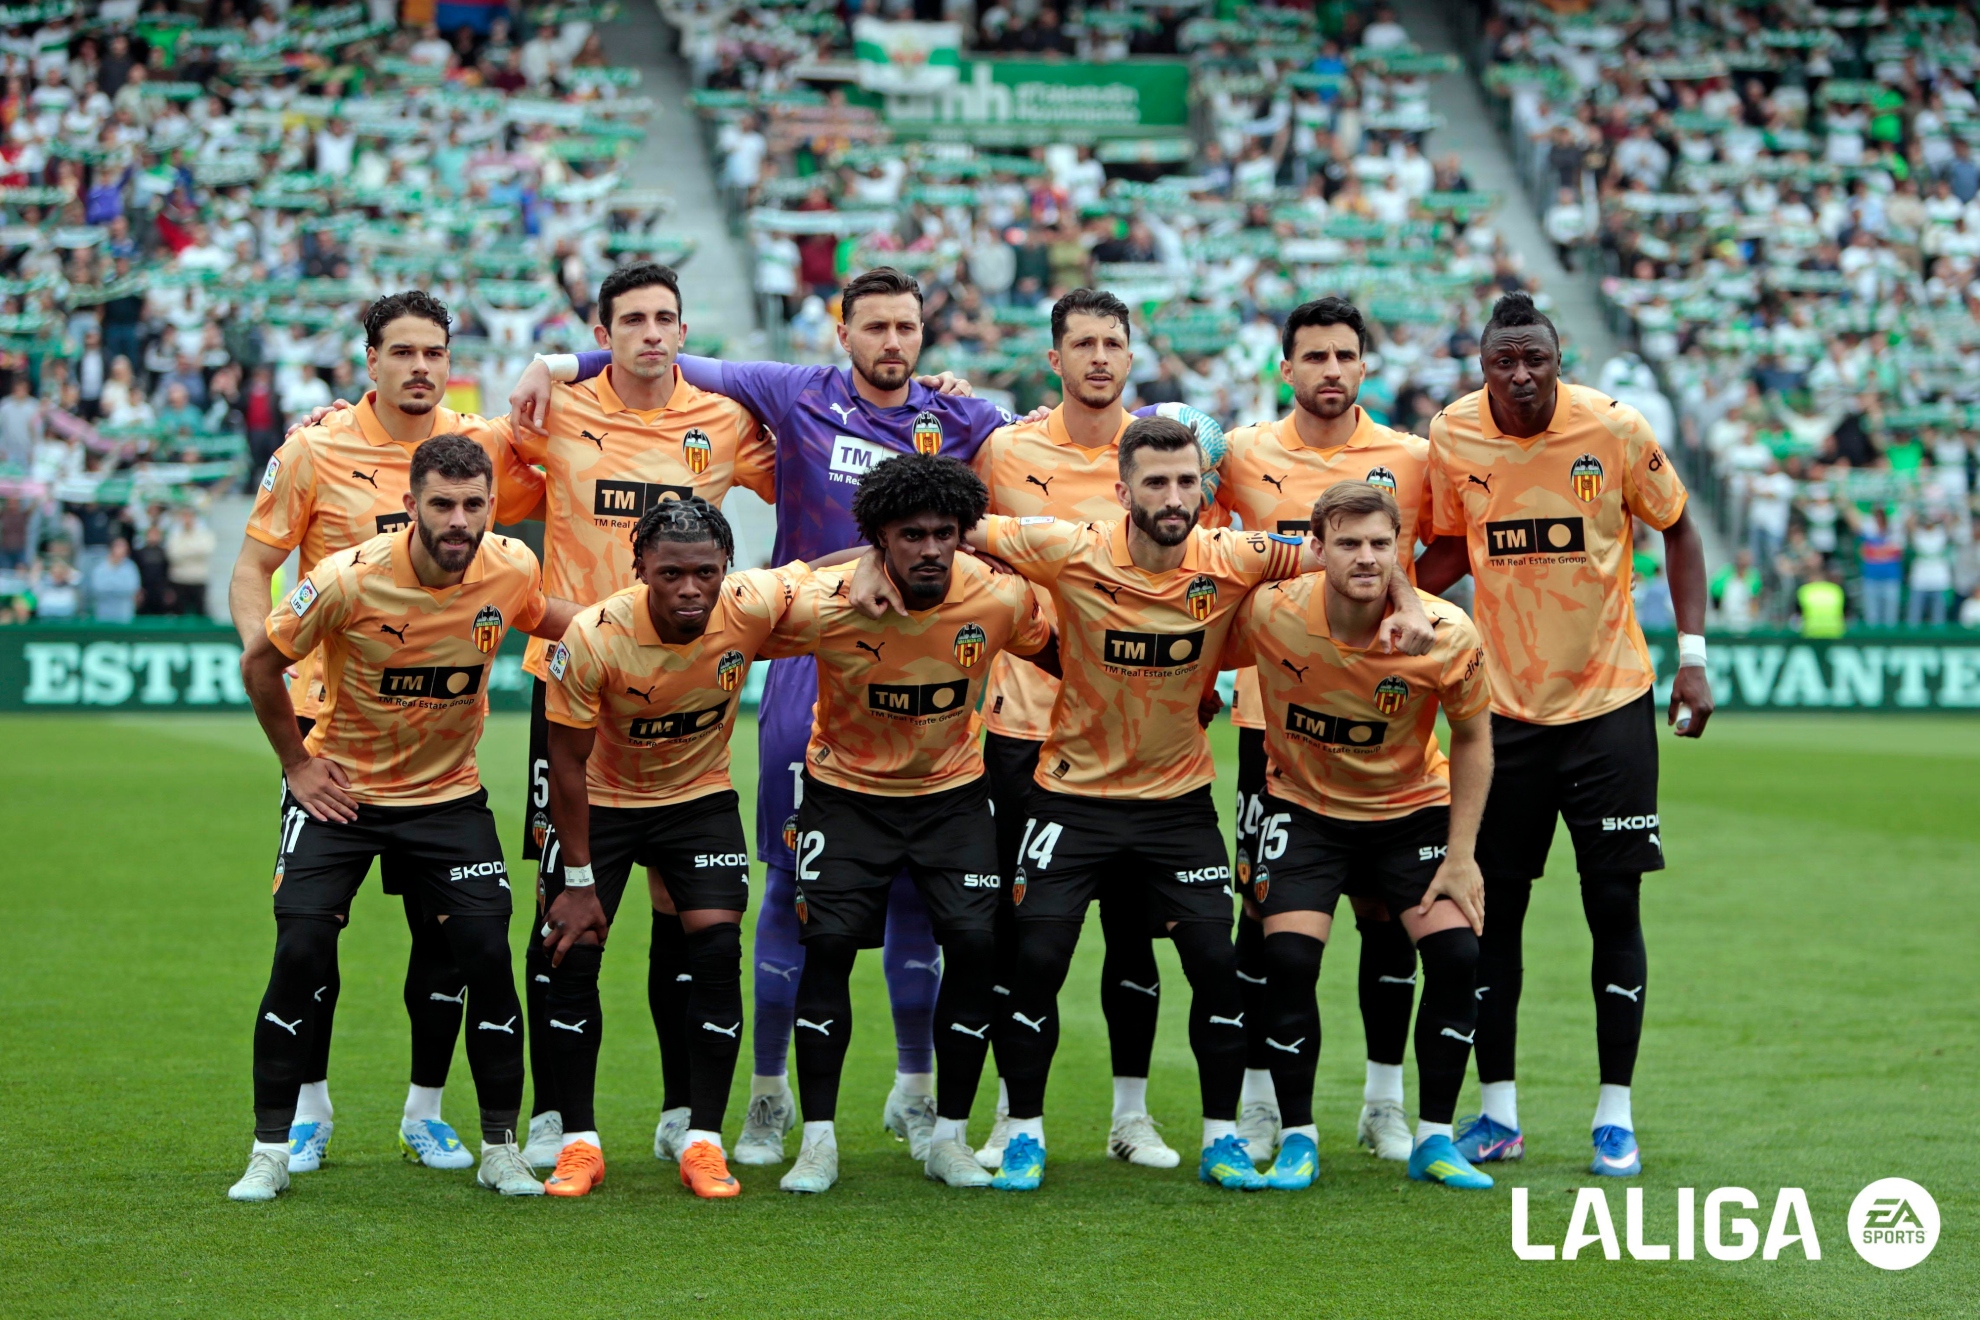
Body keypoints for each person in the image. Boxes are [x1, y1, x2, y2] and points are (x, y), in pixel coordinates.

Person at [511, 267, 1019, 1166]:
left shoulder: (967, 421)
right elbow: (665, 350)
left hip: (894, 653)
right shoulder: (792, 396)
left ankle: (913, 1092)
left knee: (912, 890)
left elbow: (1041, 457)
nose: (892, 343)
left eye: (907, 327)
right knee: (776, 884)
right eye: (875, 326)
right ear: (842, 332)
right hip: (720, 668)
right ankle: (764, 1100)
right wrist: (555, 362)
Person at [865, 417, 1427, 1192]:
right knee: (1035, 962)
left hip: (1176, 803)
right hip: (1072, 795)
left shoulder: (1235, 557)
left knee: (1217, 968)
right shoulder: (1069, 547)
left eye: (1186, 481)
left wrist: (1403, 593)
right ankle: (1024, 1132)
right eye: (1156, 483)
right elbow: (939, 525)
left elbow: (1348, 549)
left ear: (1204, 487)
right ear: (1123, 489)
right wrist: (869, 557)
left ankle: (1223, 1138)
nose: (1173, 497)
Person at [229, 291, 544, 1176]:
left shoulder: (481, 448)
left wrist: (552, 368)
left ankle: (426, 1112)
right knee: (309, 941)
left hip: (443, 756)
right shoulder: (313, 447)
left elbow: (589, 461)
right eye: (400, 351)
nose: (418, 367)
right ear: (369, 360)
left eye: (434, 352)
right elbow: (253, 568)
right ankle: (309, 1112)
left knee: (447, 943)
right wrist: (279, 673)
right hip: (336, 743)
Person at [1414, 291, 1713, 1179]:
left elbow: (1681, 528)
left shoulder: (1614, 430)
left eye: (1535, 359)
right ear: (1481, 367)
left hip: (1610, 704)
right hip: (1499, 716)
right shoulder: (1452, 436)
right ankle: (1497, 1112)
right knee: (1492, 917)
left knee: (1612, 906)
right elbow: (1448, 553)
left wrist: (1691, 654)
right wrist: (1360, 599)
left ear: (1558, 357)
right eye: (1503, 362)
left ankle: (1614, 1116)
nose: (1521, 376)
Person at [496, 263, 775, 1171]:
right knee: (565, 907)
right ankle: (552, 1113)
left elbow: (814, 471)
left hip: (686, 685)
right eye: (632, 321)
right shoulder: (557, 412)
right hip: (574, 683)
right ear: (603, 332)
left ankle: (679, 1108)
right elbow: (463, 464)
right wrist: (551, 364)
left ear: (684, 332)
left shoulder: (726, 424)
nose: (651, 333)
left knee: (679, 906)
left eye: (665, 318)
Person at [966, 288, 1232, 1173]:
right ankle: (1015, 1117)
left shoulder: (1172, 452)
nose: (1098, 358)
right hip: (1022, 729)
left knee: (1133, 935)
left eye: (1113, 343)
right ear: (1055, 357)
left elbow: (1214, 577)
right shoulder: (1006, 446)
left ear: (1131, 354)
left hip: (1146, 744)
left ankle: (1132, 1116)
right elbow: (962, 538)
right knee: (1025, 937)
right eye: (1081, 343)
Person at [768, 454, 1053, 1193]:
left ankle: (949, 1139)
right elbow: (726, 622)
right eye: (911, 535)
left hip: (952, 796)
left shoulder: (997, 598)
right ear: (879, 540)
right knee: (826, 948)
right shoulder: (825, 600)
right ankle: (819, 1143)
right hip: (845, 796)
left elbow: (1067, 648)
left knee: (973, 944)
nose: (931, 549)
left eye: (945, 533)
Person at [536, 499, 826, 1199]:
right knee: (568, 949)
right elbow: (565, 766)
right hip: (601, 801)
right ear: (640, 570)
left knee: (716, 950)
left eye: (706, 573)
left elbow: (818, 571)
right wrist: (577, 883)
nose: (691, 588)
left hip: (697, 799)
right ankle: (578, 1141)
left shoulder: (749, 602)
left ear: (727, 571)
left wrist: (877, 557)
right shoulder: (593, 636)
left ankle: (702, 1140)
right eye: (671, 573)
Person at [1210, 296, 1443, 1167]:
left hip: (1385, 724)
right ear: (1286, 368)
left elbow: (1438, 553)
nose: (1332, 371)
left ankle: (1385, 1101)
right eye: (1314, 356)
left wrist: (1410, 603)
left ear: (1366, 365)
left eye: (1346, 355)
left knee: (1390, 921)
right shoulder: (1239, 454)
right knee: (1265, 914)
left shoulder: (1412, 460)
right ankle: (1264, 1098)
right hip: (1269, 722)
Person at [1219, 481, 1494, 1191]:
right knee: (1287, 960)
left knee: (1459, 954)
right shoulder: (1270, 614)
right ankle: (1299, 1138)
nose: (1366, 557)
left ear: (1399, 553)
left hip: (1410, 813)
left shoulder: (1446, 632)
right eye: (1348, 543)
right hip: (1305, 810)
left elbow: (1472, 740)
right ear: (1316, 548)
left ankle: (1433, 1137)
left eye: (1381, 544)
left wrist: (1462, 856)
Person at [165, 502, 215, 616]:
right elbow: (173, 554)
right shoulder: (174, 534)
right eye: (184, 516)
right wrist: (194, 551)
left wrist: (185, 551)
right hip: (179, 579)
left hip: (198, 579)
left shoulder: (203, 533)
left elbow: (206, 550)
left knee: (200, 613)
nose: (187, 519)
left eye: (189, 516)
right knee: (179, 613)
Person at [86, 534, 141, 622]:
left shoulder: (131, 567)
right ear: (112, 548)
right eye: (120, 546)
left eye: (125, 547)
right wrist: (118, 587)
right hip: (103, 613)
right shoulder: (100, 568)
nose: (123, 549)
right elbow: (97, 588)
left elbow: (131, 588)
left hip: (124, 613)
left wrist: (110, 585)